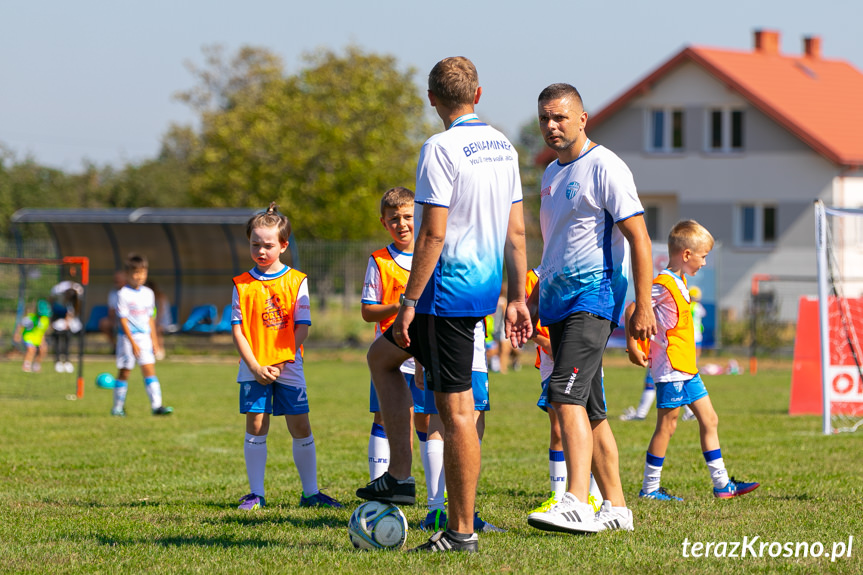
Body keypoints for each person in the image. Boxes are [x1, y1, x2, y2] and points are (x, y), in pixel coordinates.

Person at [358, 56, 531, 553]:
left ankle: (460, 532)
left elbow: (433, 233)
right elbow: (516, 231)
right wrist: (516, 298)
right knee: (382, 358)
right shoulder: (503, 146)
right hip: (478, 291)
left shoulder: (439, 147)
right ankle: (400, 475)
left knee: (454, 413)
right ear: (478, 95)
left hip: (444, 296)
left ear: (432, 99)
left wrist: (408, 302)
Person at [527, 83, 655, 535]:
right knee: (592, 410)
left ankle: (577, 501)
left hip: (594, 298)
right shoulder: (549, 176)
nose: (551, 126)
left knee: (564, 394)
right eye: (545, 118)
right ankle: (617, 508)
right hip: (559, 303)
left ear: (583, 118)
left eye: (560, 117)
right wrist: (532, 299)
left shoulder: (605, 166)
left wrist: (641, 304)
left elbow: (640, 238)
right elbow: (556, 248)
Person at [625, 220, 759, 501]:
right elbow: (633, 308)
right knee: (667, 426)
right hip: (671, 369)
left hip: (688, 369)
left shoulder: (681, 282)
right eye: (703, 257)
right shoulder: (662, 284)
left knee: (710, 419)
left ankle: (722, 485)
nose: (705, 263)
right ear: (686, 255)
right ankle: (650, 488)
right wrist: (632, 343)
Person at [232, 202, 342, 511]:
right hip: (252, 368)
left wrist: (279, 363)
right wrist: (255, 366)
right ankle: (256, 494)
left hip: (288, 367)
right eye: (256, 244)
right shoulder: (241, 284)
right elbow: (238, 331)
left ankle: (310, 493)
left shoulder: (297, 281)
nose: (261, 250)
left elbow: (302, 329)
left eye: (268, 245)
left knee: (300, 427)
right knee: (255, 425)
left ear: (283, 245)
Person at [359, 187, 428, 481]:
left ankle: (435, 495)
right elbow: (367, 311)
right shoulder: (379, 261)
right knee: (385, 418)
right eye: (394, 219)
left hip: (425, 352)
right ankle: (380, 483)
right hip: (391, 358)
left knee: (426, 420)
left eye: (408, 217)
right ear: (383, 223)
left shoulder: (431, 257)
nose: (402, 224)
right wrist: (397, 306)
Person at [525, 268, 603, 515]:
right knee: (558, 427)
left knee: (592, 419)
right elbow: (529, 321)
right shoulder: (533, 278)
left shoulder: (580, 269)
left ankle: (594, 494)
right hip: (551, 363)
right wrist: (548, 344)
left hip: (579, 356)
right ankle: (557, 494)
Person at [418, 320, 505, 534]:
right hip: (468, 340)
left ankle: (435, 511)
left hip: (434, 340)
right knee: (474, 421)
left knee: (438, 420)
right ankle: (466, 514)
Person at [111, 254, 173, 417]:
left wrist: (154, 342)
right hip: (127, 339)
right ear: (128, 274)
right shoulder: (123, 294)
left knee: (149, 370)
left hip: (144, 338)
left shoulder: (148, 293)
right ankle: (117, 407)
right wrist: (132, 343)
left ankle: (157, 406)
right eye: (136, 273)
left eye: (143, 273)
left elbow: (150, 319)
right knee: (125, 371)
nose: (140, 277)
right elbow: (123, 320)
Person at [50, 279, 84, 373]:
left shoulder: (74, 303)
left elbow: (71, 315)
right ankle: (57, 361)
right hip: (60, 324)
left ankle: (67, 360)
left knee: (67, 340)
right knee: (57, 338)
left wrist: (67, 323)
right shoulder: (58, 303)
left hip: (69, 325)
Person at [13, 299, 51, 373]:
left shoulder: (45, 320)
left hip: (38, 338)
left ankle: (36, 366)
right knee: (31, 350)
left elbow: (42, 332)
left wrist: (43, 341)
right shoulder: (31, 318)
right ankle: (26, 366)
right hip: (28, 337)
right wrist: (17, 334)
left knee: (43, 350)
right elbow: (21, 325)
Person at [99, 270, 125, 352]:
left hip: (130, 320)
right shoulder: (113, 293)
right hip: (117, 319)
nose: (116, 281)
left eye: (118, 279)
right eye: (115, 279)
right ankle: (115, 347)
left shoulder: (129, 292)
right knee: (104, 323)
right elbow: (111, 311)